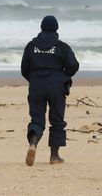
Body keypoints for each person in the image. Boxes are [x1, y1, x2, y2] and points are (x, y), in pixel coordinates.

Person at [21, 15, 79, 166]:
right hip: (56, 86)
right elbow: (73, 66)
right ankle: (54, 156)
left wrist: (35, 79)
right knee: (57, 120)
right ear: (56, 29)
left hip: (36, 86)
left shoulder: (31, 46)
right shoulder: (61, 47)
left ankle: (33, 144)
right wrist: (62, 75)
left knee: (37, 119)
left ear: (41, 28)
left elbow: (24, 69)